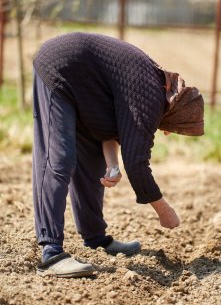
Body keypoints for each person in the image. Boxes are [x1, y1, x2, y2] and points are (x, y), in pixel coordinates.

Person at [33, 32, 204, 278]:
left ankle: (95, 238)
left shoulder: (153, 88)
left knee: (91, 161)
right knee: (58, 159)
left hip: (80, 83)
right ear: (176, 115)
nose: (169, 133)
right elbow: (137, 164)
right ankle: (51, 254)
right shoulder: (150, 99)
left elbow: (108, 128)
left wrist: (112, 165)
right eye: (177, 129)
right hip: (59, 67)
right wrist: (164, 211)